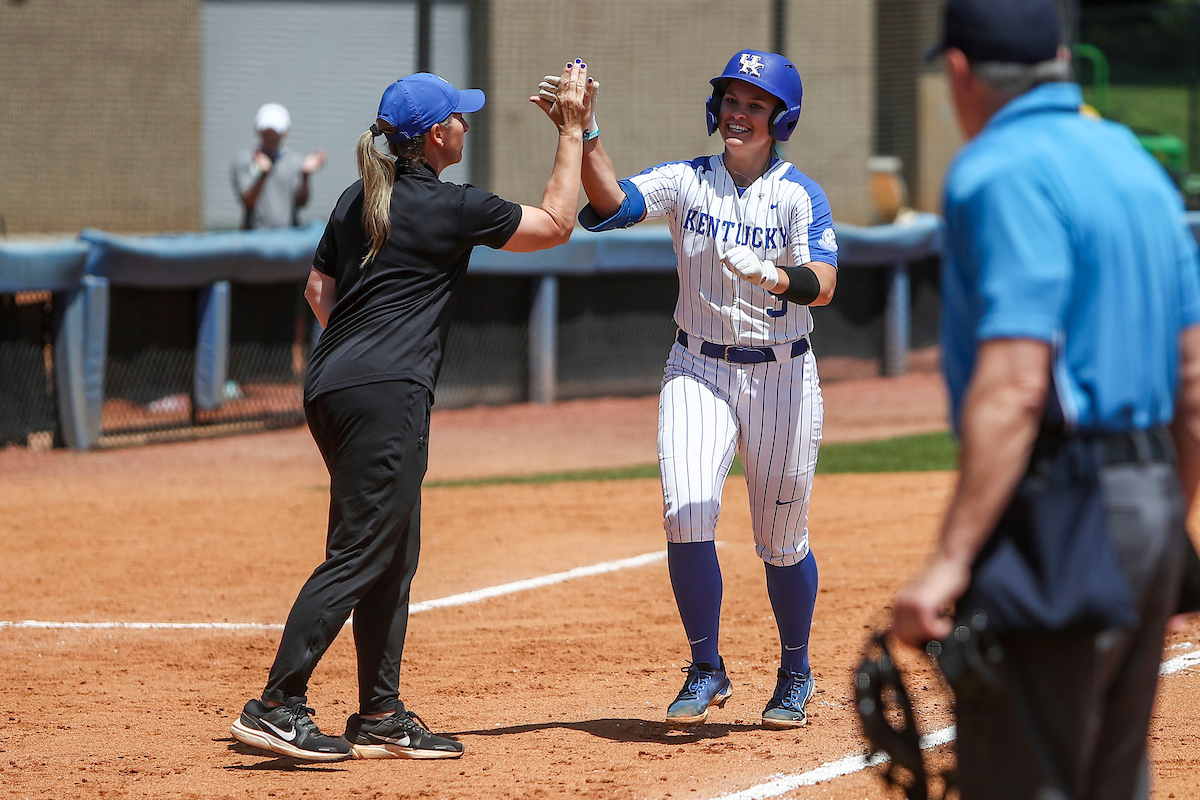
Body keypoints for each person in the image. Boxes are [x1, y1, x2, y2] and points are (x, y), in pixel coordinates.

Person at [229, 62, 596, 762]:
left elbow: (317, 290)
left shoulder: (355, 197)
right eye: (459, 117)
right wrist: (573, 131)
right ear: (435, 136)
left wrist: (358, 350)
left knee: (392, 552)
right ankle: (277, 704)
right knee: (364, 549)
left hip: (335, 386)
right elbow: (554, 224)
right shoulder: (448, 205)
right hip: (386, 392)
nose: (466, 124)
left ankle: (381, 715)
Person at [891, 1, 1200, 798]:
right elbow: (1193, 380)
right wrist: (1165, 539)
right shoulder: (1136, 163)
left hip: (1061, 511)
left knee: (1025, 779)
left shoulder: (998, 169)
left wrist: (949, 562)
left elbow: (1018, 381)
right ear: (1060, 58)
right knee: (1112, 776)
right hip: (1153, 505)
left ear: (960, 73)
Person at [538, 49, 838, 729]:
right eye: (732, 101)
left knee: (781, 539)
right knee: (686, 509)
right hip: (696, 367)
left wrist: (774, 275)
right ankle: (707, 668)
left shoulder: (799, 194)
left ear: (779, 119)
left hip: (782, 375)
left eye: (754, 105)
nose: (738, 113)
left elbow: (823, 283)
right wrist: (584, 131)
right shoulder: (687, 179)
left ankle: (795, 672)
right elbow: (613, 202)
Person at [232, 102, 327, 230]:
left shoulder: (295, 161)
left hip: (287, 240)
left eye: (275, 132)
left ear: (285, 132)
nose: (271, 137)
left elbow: (301, 202)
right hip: (253, 240)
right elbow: (248, 201)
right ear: (258, 131)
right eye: (267, 131)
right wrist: (263, 174)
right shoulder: (246, 160)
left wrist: (305, 175)